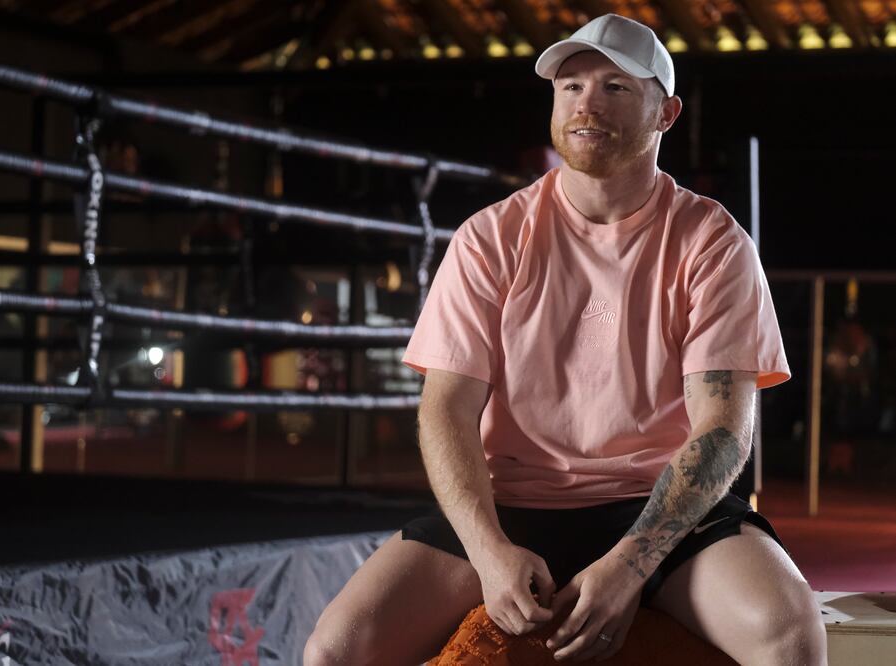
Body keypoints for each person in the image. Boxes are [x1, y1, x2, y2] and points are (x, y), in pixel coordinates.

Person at [304, 13, 827, 666]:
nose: (586, 103)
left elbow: (721, 429)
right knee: (335, 648)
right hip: (514, 501)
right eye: (570, 86)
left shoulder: (709, 240)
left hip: (661, 503)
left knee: (790, 634)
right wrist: (489, 552)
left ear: (665, 113)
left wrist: (631, 565)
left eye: (614, 87)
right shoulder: (491, 237)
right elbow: (446, 408)